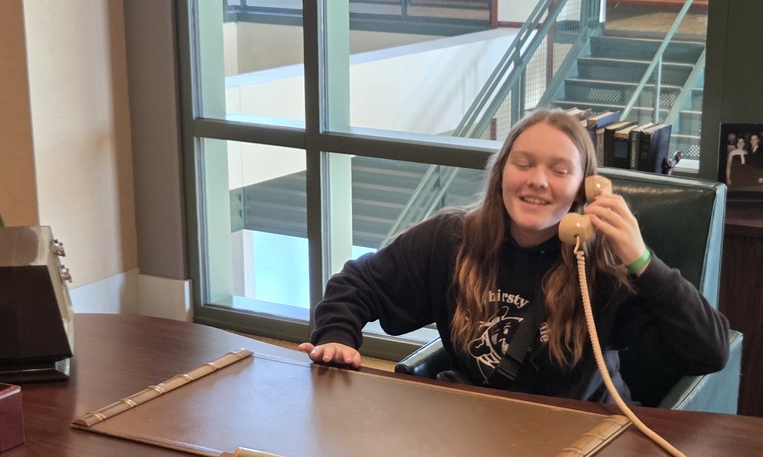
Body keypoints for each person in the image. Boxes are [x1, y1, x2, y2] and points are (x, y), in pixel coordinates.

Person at [298, 108, 730, 404]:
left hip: (578, 437)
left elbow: (710, 351)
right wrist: (336, 336)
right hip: (475, 427)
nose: (538, 181)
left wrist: (642, 262)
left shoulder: (598, 266)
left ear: (584, 187)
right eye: (523, 163)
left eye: (560, 170)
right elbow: (358, 283)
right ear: (501, 171)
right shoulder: (451, 239)